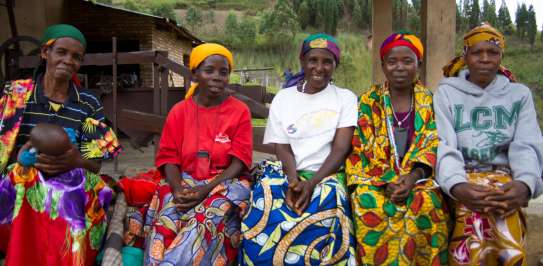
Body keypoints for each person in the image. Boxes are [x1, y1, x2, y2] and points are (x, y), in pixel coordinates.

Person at [0, 24, 120, 266]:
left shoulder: (88, 103)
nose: (69, 60)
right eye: (61, 52)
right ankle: (24, 255)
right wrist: (21, 156)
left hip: (72, 176)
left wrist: (75, 160)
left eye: (76, 57)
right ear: (45, 53)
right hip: (25, 176)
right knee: (25, 178)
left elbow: (95, 166)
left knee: (70, 189)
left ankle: (67, 258)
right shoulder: (16, 94)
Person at [240, 33, 358, 265]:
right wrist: (293, 181)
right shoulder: (284, 98)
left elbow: (340, 149)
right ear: (302, 62)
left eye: (327, 62)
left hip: (327, 175)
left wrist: (311, 183)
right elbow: (282, 146)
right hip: (289, 172)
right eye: (313, 60)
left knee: (329, 202)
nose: (319, 67)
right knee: (265, 200)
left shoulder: (345, 98)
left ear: (336, 65)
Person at [136, 43, 253, 265]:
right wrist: (178, 188)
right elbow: (168, 157)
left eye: (224, 72)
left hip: (226, 182)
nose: (217, 77)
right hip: (184, 180)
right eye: (209, 70)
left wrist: (205, 191)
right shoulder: (179, 111)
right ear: (195, 73)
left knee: (203, 222)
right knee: (166, 219)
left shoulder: (239, 111)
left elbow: (239, 161)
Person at [436, 23, 543, 265]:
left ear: (501, 56)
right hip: (462, 177)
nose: (485, 59)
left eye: (492, 53)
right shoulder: (446, 94)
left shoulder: (519, 95)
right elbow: (444, 144)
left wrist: (525, 184)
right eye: (477, 52)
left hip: (504, 179)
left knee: (505, 214)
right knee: (471, 216)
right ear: (465, 56)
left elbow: (526, 144)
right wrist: (457, 185)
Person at [345, 32, 449, 265]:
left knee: (428, 202)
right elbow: (360, 146)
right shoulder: (368, 101)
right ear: (382, 65)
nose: (399, 67)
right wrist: (388, 179)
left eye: (407, 61)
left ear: (418, 65)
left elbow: (434, 141)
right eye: (392, 62)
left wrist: (412, 177)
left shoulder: (430, 101)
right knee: (366, 201)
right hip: (377, 178)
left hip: (418, 177)